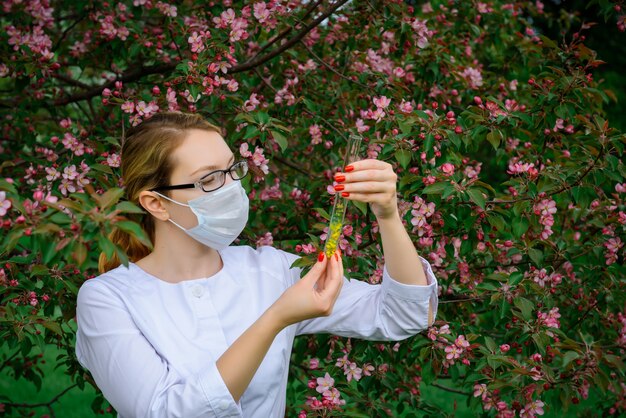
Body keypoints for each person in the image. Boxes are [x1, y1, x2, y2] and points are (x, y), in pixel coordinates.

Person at [75, 111, 439, 418]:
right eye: (211, 178)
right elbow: (164, 412)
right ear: (156, 203)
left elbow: (403, 314)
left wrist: (387, 214)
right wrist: (275, 318)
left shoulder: (270, 271)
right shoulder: (107, 299)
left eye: (233, 169)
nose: (233, 186)